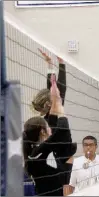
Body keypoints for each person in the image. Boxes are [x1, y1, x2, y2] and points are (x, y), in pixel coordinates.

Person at [32, 50, 76, 195]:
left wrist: (60, 64)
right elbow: (51, 87)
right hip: (56, 154)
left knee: (63, 190)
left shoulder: (56, 109)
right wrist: (50, 64)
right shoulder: (49, 116)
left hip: (63, 157)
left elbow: (59, 88)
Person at [23, 77, 75, 196]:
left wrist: (54, 102)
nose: (50, 129)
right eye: (48, 128)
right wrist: (60, 107)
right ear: (42, 132)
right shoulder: (43, 149)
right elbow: (61, 131)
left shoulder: (33, 151)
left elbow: (52, 123)